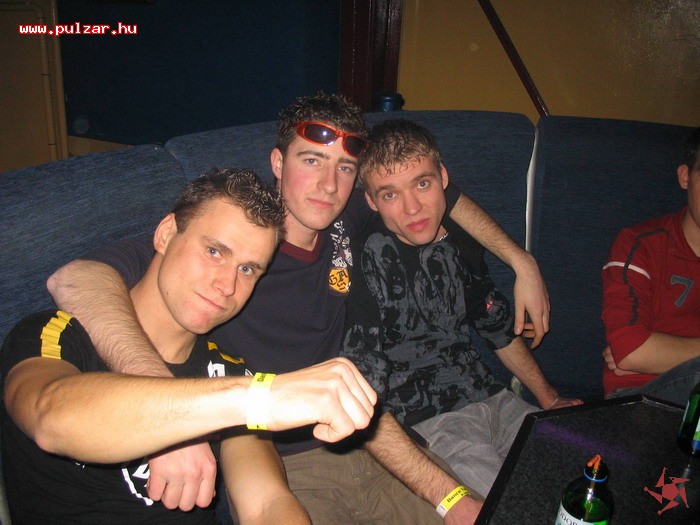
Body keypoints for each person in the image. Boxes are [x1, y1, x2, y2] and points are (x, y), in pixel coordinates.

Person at [47, 93, 551, 524]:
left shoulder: (347, 214)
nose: (329, 185)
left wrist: (521, 261)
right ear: (277, 163)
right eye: (311, 161)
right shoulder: (236, 239)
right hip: (282, 462)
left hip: (375, 437)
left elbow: (446, 195)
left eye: (345, 168)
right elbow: (75, 278)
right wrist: (162, 417)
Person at [1, 168, 378, 524]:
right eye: (214, 251)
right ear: (166, 234)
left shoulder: (227, 370)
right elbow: (51, 416)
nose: (227, 286)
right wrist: (261, 398)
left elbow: (266, 503)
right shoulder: (56, 334)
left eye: (248, 269)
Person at [340, 118, 582, 500]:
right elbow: (363, 370)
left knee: (582, 477)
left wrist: (548, 397)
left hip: (493, 397)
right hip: (431, 422)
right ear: (371, 201)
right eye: (390, 195)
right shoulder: (362, 258)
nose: (412, 208)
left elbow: (496, 327)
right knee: (510, 504)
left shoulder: (461, 241)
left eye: (422, 184)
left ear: (443, 179)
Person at [601, 126, 700, 406]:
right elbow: (631, 351)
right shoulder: (639, 245)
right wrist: (640, 355)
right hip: (637, 398)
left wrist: (657, 356)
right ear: (685, 177)